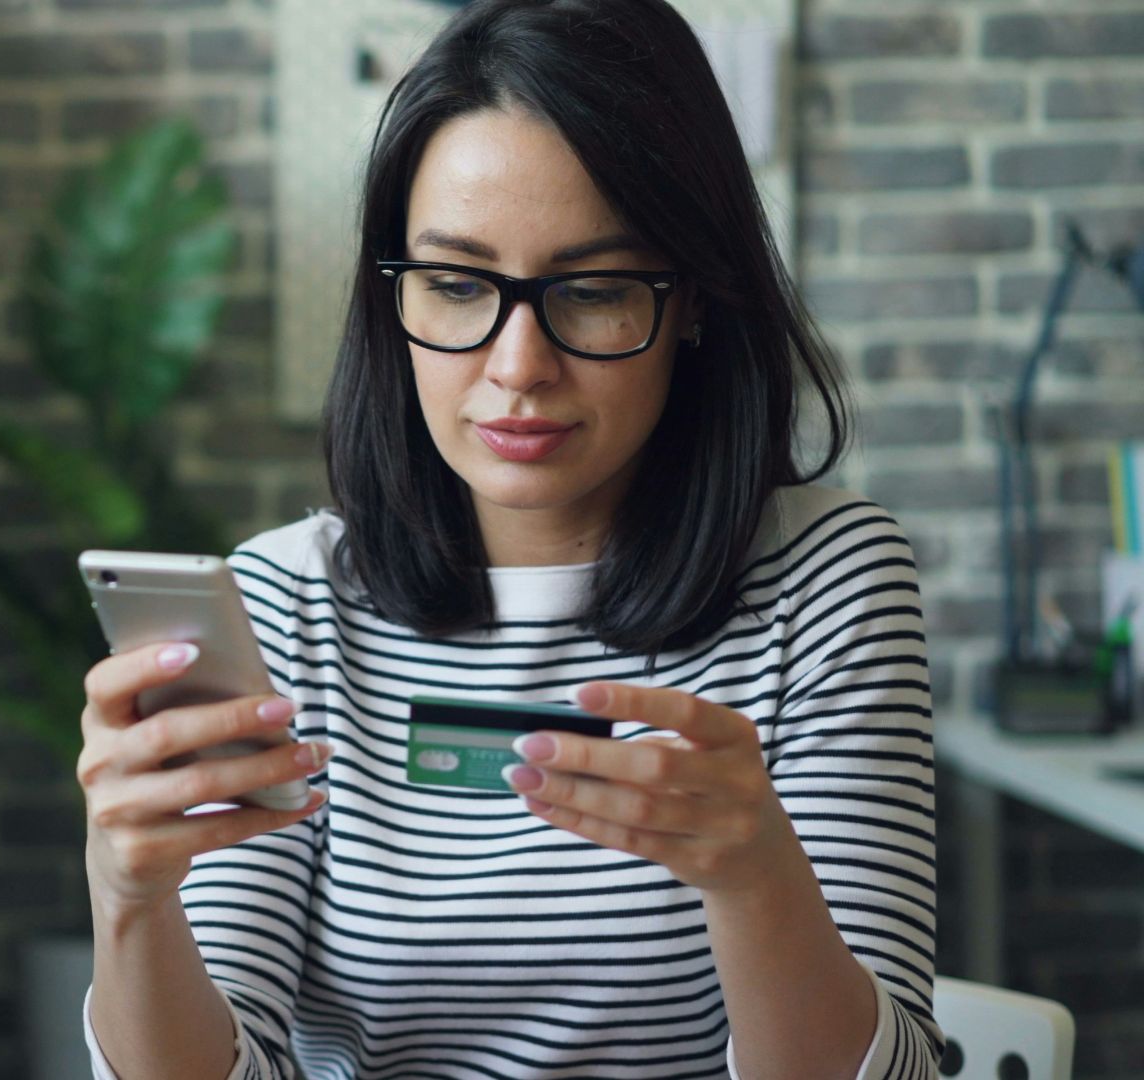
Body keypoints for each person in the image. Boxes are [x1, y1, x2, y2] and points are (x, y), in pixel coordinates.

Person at [74, 0, 942, 1076]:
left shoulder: (828, 582)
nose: (519, 365)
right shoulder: (285, 604)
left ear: (696, 303)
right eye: (453, 285)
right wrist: (129, 898)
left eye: (591, 292)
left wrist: (756, 878)